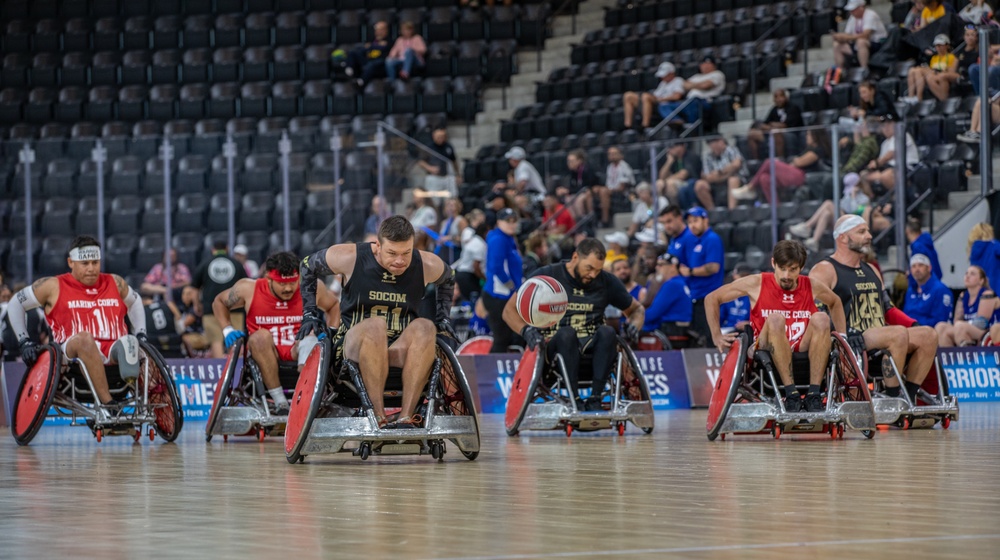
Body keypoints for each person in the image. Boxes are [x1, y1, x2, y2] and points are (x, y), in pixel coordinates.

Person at [297, 216, 456, 428]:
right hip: (352, 347)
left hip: (397, 348)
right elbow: (307, 265)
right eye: (392, 253)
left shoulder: (426, 263)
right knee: (375, 325)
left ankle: (406, 418)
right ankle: (379, 418)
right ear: (377, 245)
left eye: (406, 253)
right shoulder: (351, 256)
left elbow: (450, 277)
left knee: (426, 326)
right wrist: (309, 312)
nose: (399, 260)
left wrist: (443, 318)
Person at [6, 236, 147, 415]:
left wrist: (141, 333)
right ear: (71, 262)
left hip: (112, 354)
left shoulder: (115, 282)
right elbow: (15, 303)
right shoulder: (53, 285)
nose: (91, 268)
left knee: (131, 341)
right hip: (71, 357)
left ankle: (139, 395)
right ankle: (109, 405)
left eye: (95, 262)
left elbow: (135, 302)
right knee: (84, 339)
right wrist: (24, 341)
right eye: (85, 263)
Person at [502, 238, 645, 411]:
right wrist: (526, 331)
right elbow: (509, 310)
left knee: (608, 332)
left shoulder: (606, 281)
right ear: (575, 257)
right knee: (567, 333)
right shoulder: (547, 275)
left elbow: (637, 310)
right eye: (589, 268)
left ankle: (595, 399)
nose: (593, 275)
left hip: (594, 357)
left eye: (598, 270)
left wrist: (634, 326)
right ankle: (575, 399)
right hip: (554, 358)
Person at [809, 215, 938, 403]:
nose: (869, 236)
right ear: (843, 237)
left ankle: (907, 396)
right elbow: (816, 312)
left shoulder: (872, 269)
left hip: (882, 335)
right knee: (898, 334)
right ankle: (892, 398)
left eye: (868, 231)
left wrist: (913, 324)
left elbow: (889, 309)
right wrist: (842, 333)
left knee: (928, 334)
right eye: (861, 232)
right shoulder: (824, 269)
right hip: (851, 339)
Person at [707, 240, 847, 412]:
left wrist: (843, 338)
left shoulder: (810, 285)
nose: (786, 275)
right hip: (764, 346)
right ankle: (791, 393)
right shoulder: (757, 283)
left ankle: (814, 394)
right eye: (782, 268)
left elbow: (836, 302)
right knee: (775, 319)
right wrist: (716, 335)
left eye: (793, 269)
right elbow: (712, 299)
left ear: (801, 267)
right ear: (773, 263)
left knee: (821, 318)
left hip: (800, 346)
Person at [213, 252, 336, 414]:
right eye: (281, 283)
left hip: (298, 348)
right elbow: (219, 302)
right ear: (268, 278)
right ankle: (280, 403)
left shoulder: (312, 287)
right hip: (266, 352)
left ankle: (305, 398)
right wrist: (227, 329)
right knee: (259, 337)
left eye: (293, 282)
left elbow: (334, 306)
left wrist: (331, 331)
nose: (288, 288)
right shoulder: (249, 289)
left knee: (311, 338)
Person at [789, 172, 890, 252]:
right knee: (826, 213)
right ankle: (815, 240)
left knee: (828, 203)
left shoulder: (864, 198)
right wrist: (849, 196)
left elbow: (854, 209)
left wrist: (854, 196)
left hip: (853, 224)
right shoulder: (847, 196)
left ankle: (807, 226)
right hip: (845, 220)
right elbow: (842, 206)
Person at [730, 129, 833, 205]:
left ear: (815, 137)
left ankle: (750, 187)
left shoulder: (818, 150)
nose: (807, 137)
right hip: (797, 173)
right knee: (764, 178)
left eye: (808, 135)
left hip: (804, 177)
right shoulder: (809, 149)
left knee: (769, 162)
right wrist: (794, 161)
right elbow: (795, 161)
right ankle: (776, 207)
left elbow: (799, 162)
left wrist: (795, 161)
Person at [674, 206, 724, 344]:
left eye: (695, 221)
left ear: (705, 220)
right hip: (694, 296)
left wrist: (690, 271)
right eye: (689, 222)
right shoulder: (692, 241)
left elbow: (713, 267)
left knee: (707, 337)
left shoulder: (712, 239)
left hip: (707, 297)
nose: (692, 225)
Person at [193, 240, 248, 358]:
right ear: (227, 248)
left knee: (215, 340)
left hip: (211, 308)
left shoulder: (205, 264)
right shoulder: (236, 264)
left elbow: (195, 288)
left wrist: (197, 304)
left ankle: (220, 370)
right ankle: (236, 370)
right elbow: (245, 285)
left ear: (213, 249)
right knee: (235, 340)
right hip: (235, 308)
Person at [481, 208, 523, 352]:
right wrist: (512, 287)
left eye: (514, 221)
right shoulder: (499, 239)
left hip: (505, 295)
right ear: (499, 222)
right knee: (502, 338)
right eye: (508, 221)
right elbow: (497, 267)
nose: (511, 224)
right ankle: (491, 372)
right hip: (498, 296)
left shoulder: (507, 238)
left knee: (507, 337)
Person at [860, 114, 919, 200]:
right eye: (883, 126)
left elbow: (891, 154)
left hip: (907, 168)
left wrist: (877, 163)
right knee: (864, 176)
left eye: (889, 124)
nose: (886, 128)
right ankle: (874, 201)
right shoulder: (885, 143)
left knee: (885, 176)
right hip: (889, 169)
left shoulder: (902, 135)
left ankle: (899, 201)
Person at [660, 56, 726, 124]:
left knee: (693, 102)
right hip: (688, 101)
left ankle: (692, 127)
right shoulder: (697, 76)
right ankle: (676, 121)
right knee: (664, 106)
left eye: (708, 64)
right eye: (703, 64)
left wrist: (693, 85)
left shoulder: (717, 74)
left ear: (714, 65)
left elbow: (706, 86)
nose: (705, 66)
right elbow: (684, 85)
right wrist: (699, 85)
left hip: (705, 102)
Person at [936, 266, 990, 346]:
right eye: (966, 273)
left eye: (972, 274)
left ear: (981, 280)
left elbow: (982, 322)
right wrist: (960, 325)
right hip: (964, 329)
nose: (967, 276)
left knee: (960, 327)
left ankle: (968, 357)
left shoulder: (987, 294)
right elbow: (956, 320)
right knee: (941, 327)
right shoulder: (963, 295)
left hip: (987, 333)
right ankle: (949, 358)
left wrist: (962, 325)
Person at [622, 62, 686, 130]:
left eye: (665, 75)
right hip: (656, 103)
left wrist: (661, 99)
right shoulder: (663, 83)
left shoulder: (678, 81)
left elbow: (677, 96)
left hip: (665, 105)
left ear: (671, 73)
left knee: (646, 96)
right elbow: (655, 95)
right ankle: (628, 125)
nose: (662, 77)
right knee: (628, 96)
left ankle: (645, 125)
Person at [642, 253, 693, 337]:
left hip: (671, 330)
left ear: (673, 267)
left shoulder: (672, 284)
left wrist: (636, 318)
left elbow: (654, 313)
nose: (656, 268)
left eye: (660, 265)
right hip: (679, 328)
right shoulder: (680, 282)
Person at [746, 89, 803, 159]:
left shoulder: (793, 108)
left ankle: (780, 160)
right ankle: (756, 161)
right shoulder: (774, 109)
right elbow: (766, 123)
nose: (778, 99)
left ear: (786, 97)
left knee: (776, 132)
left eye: (781, 96)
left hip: (791, 134)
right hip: (772, 133)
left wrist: (774, 126)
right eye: (776, 97)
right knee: (752, 134)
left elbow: (786, 125)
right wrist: (770, 126)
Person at [693, 136, 747, 210]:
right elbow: (707, 177)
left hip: (737, 181)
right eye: (711, 144)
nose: (714, 146)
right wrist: (727, 173)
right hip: (715, 184)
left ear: (722, 141)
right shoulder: (708, 156)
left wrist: (720, 172)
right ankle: (713, 212)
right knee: (699, 185)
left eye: (716, 142)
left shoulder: (731, 150)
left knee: (733, 180)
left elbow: (736, 164)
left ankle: (731, 212)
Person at [832, 0, 888, 71]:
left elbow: (866, 35)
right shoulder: (852, 18)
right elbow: (847, 34)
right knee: (837, 44)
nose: (852, 12)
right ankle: (840, 71)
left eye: (854, 10)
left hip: (877, 44)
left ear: (861, 7)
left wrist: (847, 37)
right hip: (858, 45)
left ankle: (864, 70)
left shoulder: (870, 15)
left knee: (861, 42)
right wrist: (840, 37)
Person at [903, 253, 953, 329]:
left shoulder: (941, 290)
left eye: (920, 265)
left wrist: (914, 324)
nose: (917, 269)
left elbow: (940, 321)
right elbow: (906, 314)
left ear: (929, 268)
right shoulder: (910, 290)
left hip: (930, 334)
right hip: (909, 331)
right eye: (913, 266)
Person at [903, 34, 958, 103]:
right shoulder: (934, 58)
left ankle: (919, 97)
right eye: (937, 46)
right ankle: (911, 96)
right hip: (933, 74)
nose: (938, 47)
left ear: (947, 46)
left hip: (940, 74)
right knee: (913, 70)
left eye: (940, 45)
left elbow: (951, 72)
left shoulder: (951, 57)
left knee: (921, 71)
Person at [559, 149, 607, 226]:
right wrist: (565, 190)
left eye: (572, 161)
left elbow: (586, 186)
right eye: (568, 161)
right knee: (568, 198)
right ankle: (574, 221)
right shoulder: (573, 172)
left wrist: (568, 191)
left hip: (590, 191)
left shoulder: (587, 170)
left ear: (579, 161)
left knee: (579, 200)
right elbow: (573, 186)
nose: (569, 163)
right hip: (580, 191)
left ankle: (584, 221)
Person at [343, 20, 390, 87]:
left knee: (372, 64)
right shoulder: (373, 40)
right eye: (377, 30)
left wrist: (371, 46)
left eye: (380, 30)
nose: (378, 32)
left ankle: (361, 81)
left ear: (386, 30)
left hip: (379, 65)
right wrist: (373, 46)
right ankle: (349, 69)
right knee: (353, 52)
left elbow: (385, 53)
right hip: (367, 61)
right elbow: (364, 50)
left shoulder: (389, 41)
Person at [657, 142, 702, 209]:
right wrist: (669, 161)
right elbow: (661, 177)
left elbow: (683, 175)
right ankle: (661, 209)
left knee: (670, 184)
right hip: (676, 182)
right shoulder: (673, 159)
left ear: (683, 146)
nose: (670, 150)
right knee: (659, 183)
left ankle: (675, 210)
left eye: (673, 147)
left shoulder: (691, 156)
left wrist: (667, 180)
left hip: (690, 182)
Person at [418, 127, 461, 196]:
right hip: (434, 177)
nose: (440, 139)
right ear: (433, 136)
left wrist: (458, 174)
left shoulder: (448, 146)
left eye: (442, 136)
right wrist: (430, 168)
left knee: (452, 196)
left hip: (447, 176)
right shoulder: (429, 147)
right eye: (438, 137)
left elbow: (454, 161)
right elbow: (420, 161)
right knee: (434, 198)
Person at [453, 220, 487, 302]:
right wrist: (484, 278)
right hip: (467, 276)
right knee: (475, 300)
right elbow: (476, 266)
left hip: (460, 274)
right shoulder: (480, 244)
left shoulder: (473, 240)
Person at [719, 262, 754, 334]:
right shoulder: (728, 294)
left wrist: (750, 324)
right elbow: (719, 318)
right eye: (741, 276)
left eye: (745, 276)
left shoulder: (754, 296)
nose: (743, 279)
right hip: (727, 330)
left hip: (746, 332)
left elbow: (761, 320)